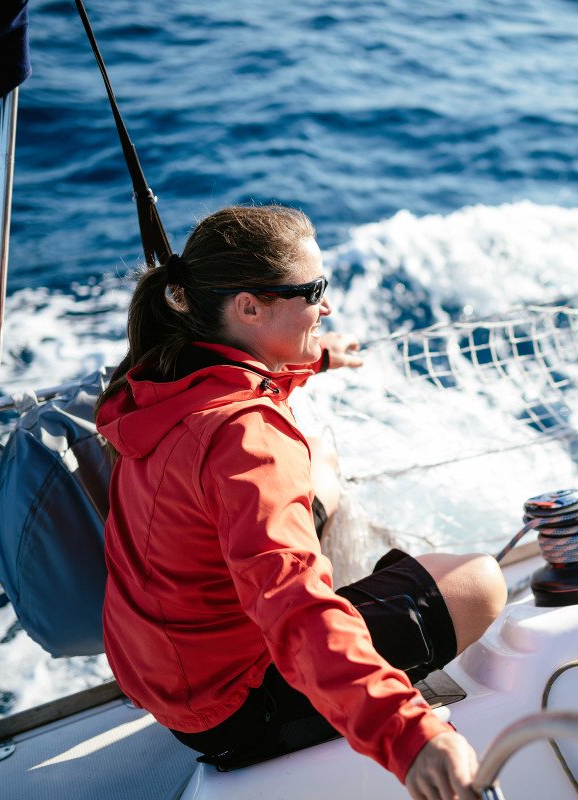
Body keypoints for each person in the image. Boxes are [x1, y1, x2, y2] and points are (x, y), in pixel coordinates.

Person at [95, 205, 506, 800]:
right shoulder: (245, 437)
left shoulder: (157, 379)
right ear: (249, 308)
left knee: (324, 472)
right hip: (235, 710)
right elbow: (294, 610)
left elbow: (240, 372)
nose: (327, 306)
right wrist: (407, 736)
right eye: (314, 291)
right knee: (479, 579)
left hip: (172, 681)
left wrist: (314, 355)